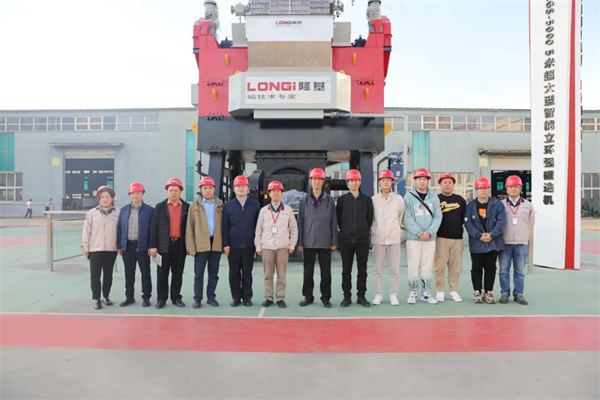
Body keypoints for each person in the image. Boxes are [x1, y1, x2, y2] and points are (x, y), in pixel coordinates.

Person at [297, 168, 338, 308]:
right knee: (308, 271)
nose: (316, 182)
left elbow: (333, 221)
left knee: (326, 272)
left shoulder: (329, 200)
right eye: (314, 179)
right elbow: (300, 221)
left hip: (325, 241)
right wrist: (300, 241)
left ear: (323, 181)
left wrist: (333, 240)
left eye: (319, 179)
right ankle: (308, 296)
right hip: (308, 241)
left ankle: (326, 297)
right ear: (310, 181)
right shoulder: (304, 200)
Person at [255, 181, 298, 309]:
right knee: (267, 275)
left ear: (282, 193)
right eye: (273, 191)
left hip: (282, 247)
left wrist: (292, 245)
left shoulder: (288, 210)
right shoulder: (263, 211)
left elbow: (294, 230)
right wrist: (258, 246)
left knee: (282, 275)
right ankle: (268, 297)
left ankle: (280, 298)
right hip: (267, 247)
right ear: (269, 194)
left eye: (278, 191)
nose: (275, 194)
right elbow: (258, 230)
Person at [403, 168, 442, 305]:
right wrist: (419, 232)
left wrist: (429, 232)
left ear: (428, 181)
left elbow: (438, 216)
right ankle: (413, 292)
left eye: (424, 179)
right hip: (413, 238)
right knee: (413, 265)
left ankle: (426, 293)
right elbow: (407, 218)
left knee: (427, 265)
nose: (422, 181)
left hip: (430, 238)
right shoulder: (408, 197)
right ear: (415, 180)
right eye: (419, 179)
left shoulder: (434, 197)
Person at [149, 178, 190, 309]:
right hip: (163, 246)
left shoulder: (187, 207)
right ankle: (161, 299)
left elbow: (190, 228)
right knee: (162, 273)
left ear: (180, 192)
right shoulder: (160, 207)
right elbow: (154, 227)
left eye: (176, 190)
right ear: (167, 191)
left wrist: (190, 247)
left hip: (180, 246)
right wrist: (153, 246)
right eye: (171, 190)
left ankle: (176, 297)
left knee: (178, 273)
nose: (173, 193)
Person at [464, 177, 505, 304]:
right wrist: (479, 235)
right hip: (476, 242)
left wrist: (491, 235)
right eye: (480, 188)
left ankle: (488, 291)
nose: (483, 191)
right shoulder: (470, 205)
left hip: (493, 242)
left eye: (485, 188)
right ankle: (477, 291)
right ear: (476, 190)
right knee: (476, 267)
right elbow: (468, 223)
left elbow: (501, 222)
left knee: (490, 267)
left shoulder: (497, 204)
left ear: (489, 189)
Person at [336, 169, 374, 308]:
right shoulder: (342, 200)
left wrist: (362, 231)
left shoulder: (367, 200)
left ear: (360, 182)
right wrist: (346, 231)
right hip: (346, 241)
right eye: (351, 181)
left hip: (362, 241)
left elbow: (369, 219)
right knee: (346, 270)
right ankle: (346, 296)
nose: (353, 183)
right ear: (347, 183)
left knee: (362, 270)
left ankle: (361, 296)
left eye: (356, 180)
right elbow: (339, 219)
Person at [186, 176, 224, 309]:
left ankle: (211, 297)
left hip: (216, 243)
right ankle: (197, 298)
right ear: (201, 190)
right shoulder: (194, 206)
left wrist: (224, 245)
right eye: (205, 188)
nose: (208, 190)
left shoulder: (220, 205)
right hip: (200, 244)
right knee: (199, 274)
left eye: (210, 188)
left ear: (214, 189)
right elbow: (189, 227)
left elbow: (224, 225)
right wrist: (191, 248)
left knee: (213, 274)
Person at [223, 175, 260, 307]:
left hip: (249, 245)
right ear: (234, 189)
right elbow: (224, 226)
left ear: (247, 188)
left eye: (243, 186)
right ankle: (236, 297)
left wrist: (257, 244)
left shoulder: (255, 205)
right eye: (238, 186)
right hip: (233, 246)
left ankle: (247, 297)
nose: (241, 188)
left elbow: (258, 226)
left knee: (247, 272)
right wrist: (225, 244)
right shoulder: (228, 206)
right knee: (234, 273)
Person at [81, 186, 120, 310]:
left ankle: (106, 296)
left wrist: (120, 246)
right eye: (102, 197)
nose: (105, 199)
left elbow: (120, 231)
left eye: (107, 197)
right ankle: (96, 298)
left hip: (111, 249)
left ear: (112, 198)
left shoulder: (118, 213)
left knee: (108, 275)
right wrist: (86, 247)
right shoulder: (92, 213)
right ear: (98, 199)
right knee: (95, 276)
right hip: (95, 249)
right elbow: (86, 231)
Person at [117, 182, 154, 307]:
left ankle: (146, 297)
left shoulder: (149, 210)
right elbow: (120, 229)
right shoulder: (123, 211)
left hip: (143, 247)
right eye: (133, 193)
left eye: (138, 193)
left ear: (142, 194)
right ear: (129, 195)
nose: (136, 195)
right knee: (129, 274)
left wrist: (151, 245)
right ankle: (129, 297)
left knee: (145, 273)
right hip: (128, 247)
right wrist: (119, 245)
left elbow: (152, 230)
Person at [499, 175, 535, 305]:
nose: (513, 189)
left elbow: (531, 223)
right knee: (503, 271)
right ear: (506, 189)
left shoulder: (528, 205)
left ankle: (519, 293)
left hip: (521, 243)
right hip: (505, 243)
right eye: (510, 187)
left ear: (520, 188)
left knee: (519, 271)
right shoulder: (501, 205)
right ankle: (504, 293)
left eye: (516, 186)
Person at [371, 169, 404, 306]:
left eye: (388, 180)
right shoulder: (373, 200)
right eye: (383, 180)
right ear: (379, 182)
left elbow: (399, 218)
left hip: (394, 238)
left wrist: (394, 229)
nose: (385, 182)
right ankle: (378, 294)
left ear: (392, 182)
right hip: (378, 239)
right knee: (377, 270)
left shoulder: (399, 199)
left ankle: (393, 294)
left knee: (395, 270)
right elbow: (372, 219)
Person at [434, 172, 467, 303]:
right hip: (440, 239)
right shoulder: (436, 199)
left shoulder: (460, 200)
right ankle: (440, 291)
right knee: (440, 267)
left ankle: (453, 291)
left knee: (455, 268)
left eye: (450, 182)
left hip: (457, 239)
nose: (447, 185)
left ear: (453, 184)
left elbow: (465, 219)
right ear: (440, 184)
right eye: (445, 182)